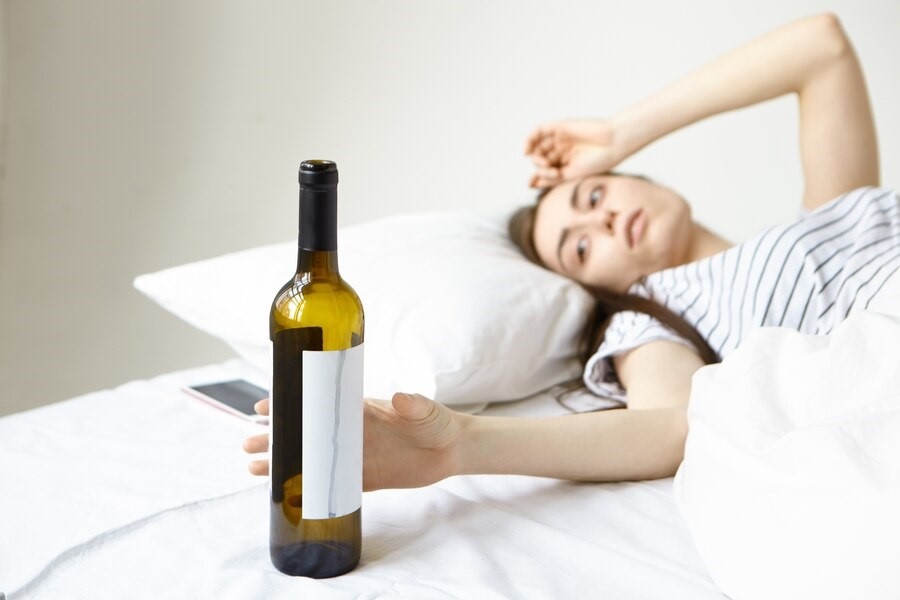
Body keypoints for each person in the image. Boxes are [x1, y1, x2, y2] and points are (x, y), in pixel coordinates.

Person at [243, 13, 899, 491]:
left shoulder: (833, 212)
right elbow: (671, 426)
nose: (608, 217)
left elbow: (822, 47)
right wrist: (456, 448)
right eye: (582, 246)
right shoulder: (655, 319)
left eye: (594, 195)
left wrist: (620, 131)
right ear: (598, 289)